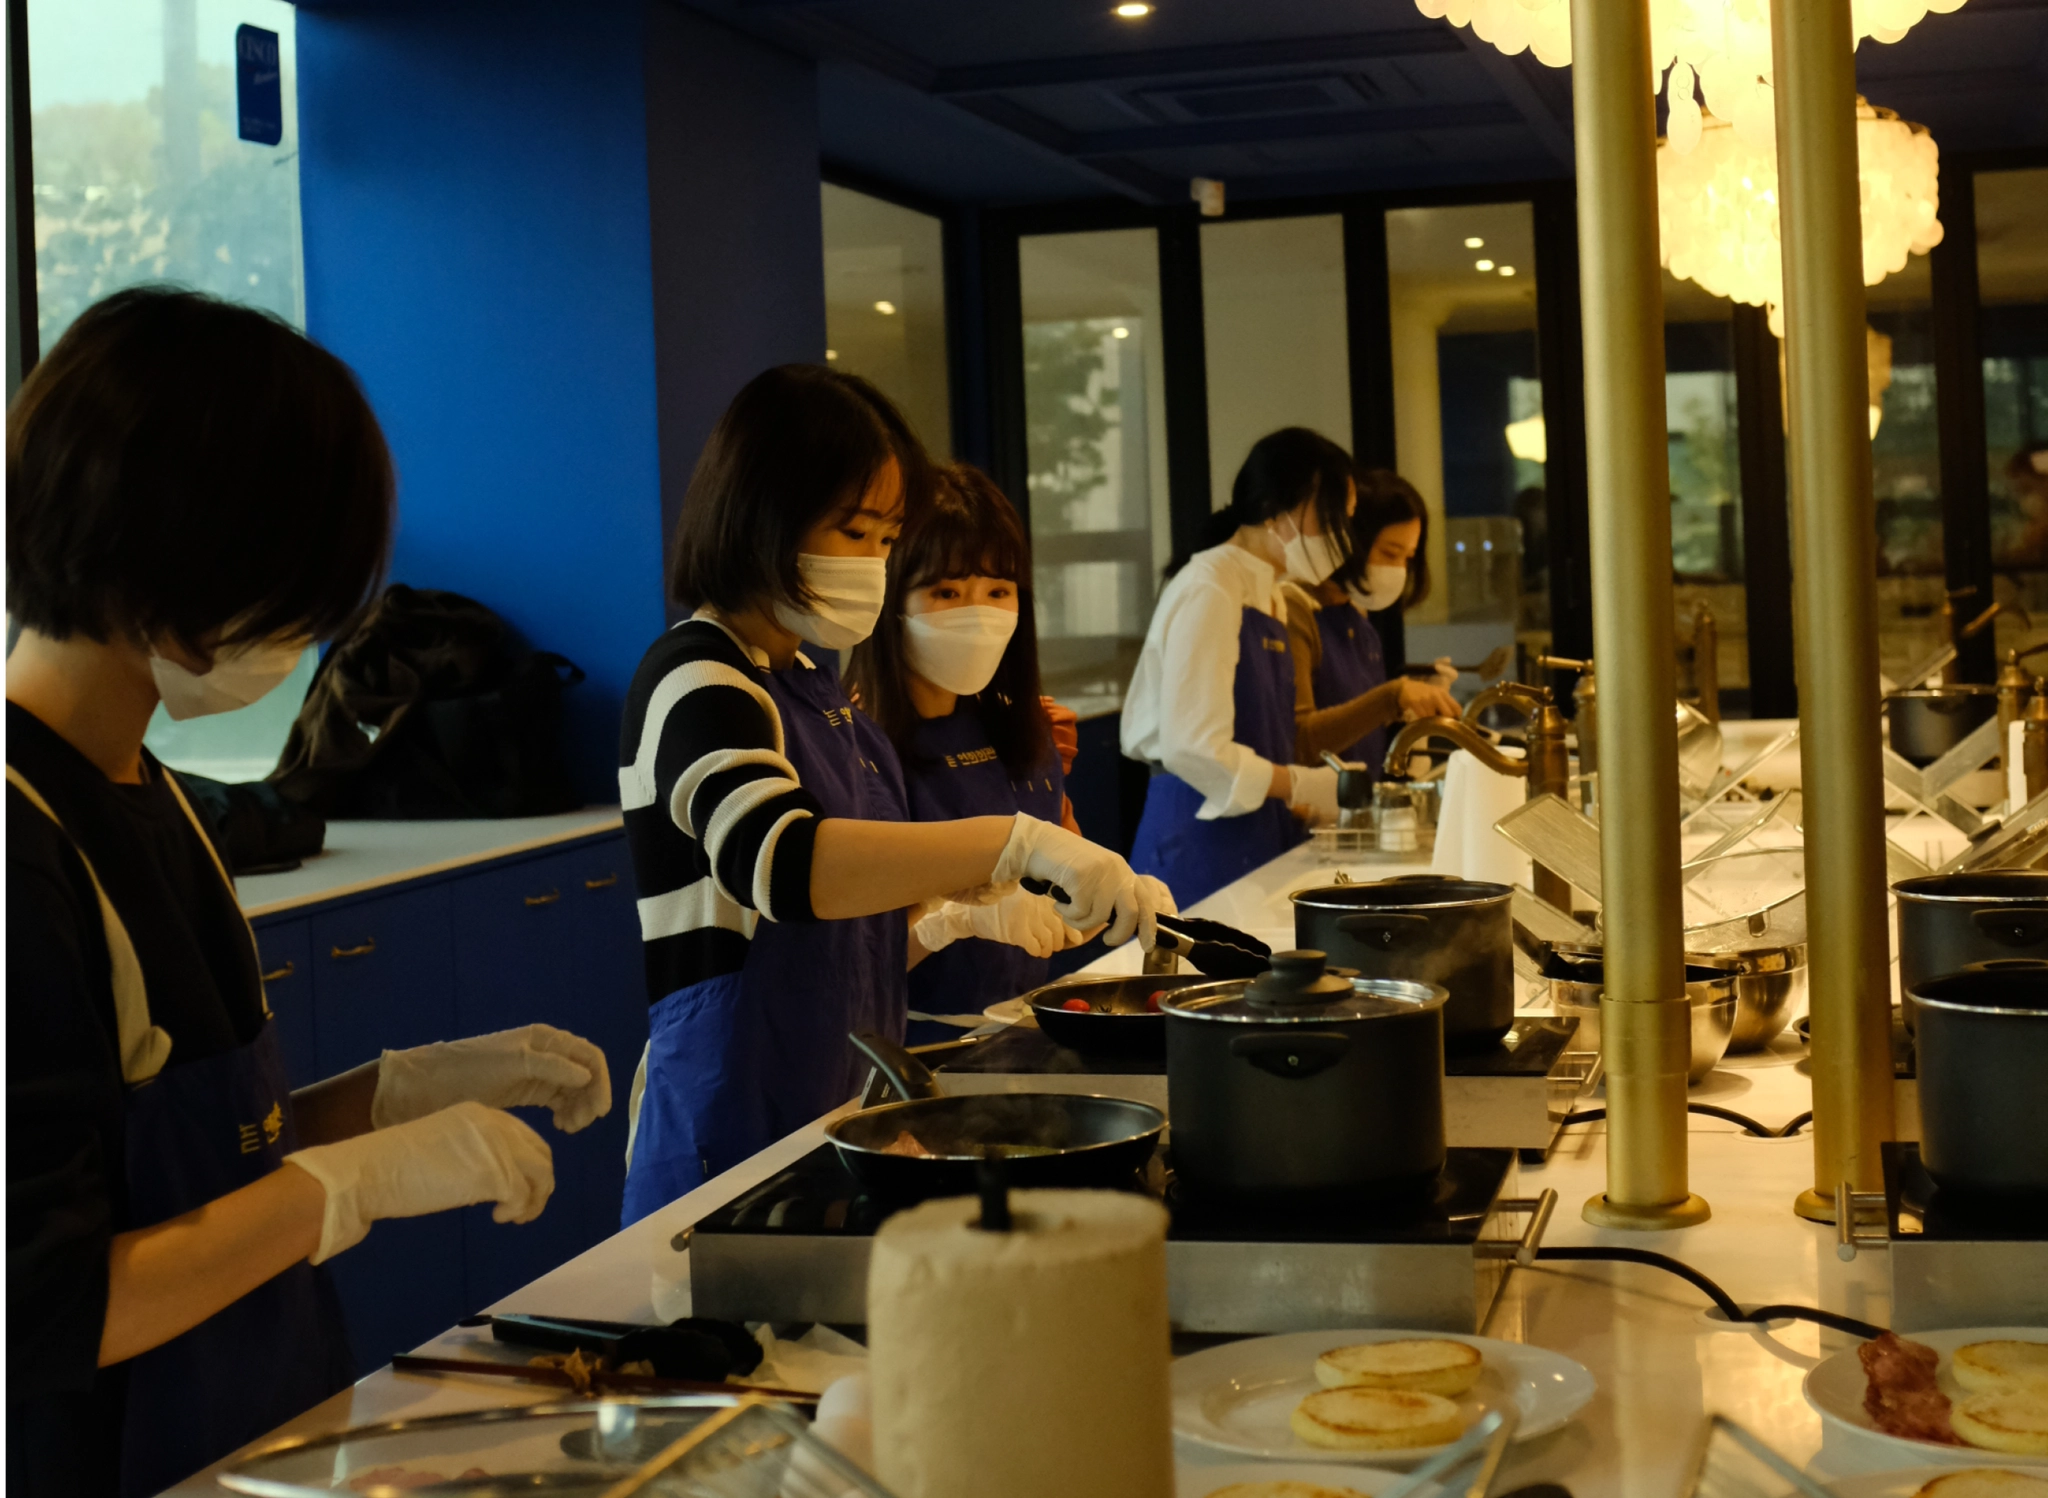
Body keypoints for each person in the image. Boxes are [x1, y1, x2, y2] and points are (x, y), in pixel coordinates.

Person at [6, 289, 612, 1498]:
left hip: (251, 1430)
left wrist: (396, 1096)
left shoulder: (154, 793)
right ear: (169, 550)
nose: (302, 636)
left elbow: (197, 1162)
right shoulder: (22, 845)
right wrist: (353, 1184)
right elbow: (49, 1304)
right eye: (286, 587)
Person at [619, 366, 1172, 1222]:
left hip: (836, 1103)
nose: (874, 563)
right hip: (725, 1127)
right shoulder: (697, 676)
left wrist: (960, 913)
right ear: (765, 514)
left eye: (886, 538)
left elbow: (858, 938)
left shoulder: (817, 692)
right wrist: (1014, 843)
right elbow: (786, 863)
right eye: (854, 531)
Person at [847, 463, 1084, 1020]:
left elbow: (1073, 884)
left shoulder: (1025, 727)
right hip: (906, 1045)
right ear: (891, 600)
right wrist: (953, 920)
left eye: (998, 591)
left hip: (1019, 1024)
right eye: (946, 591)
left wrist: (1114, 893)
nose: (977, 616)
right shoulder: (852, 744)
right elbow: (847, 962)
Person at [1121, 427, 1357, 907]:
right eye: (1330, 518)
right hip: (1194, 841)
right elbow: (1193, 746)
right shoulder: (1210, 587)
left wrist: (1301, 800)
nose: (1340, 537)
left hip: (1255, 836)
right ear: (1277, 507)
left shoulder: (1273, 595)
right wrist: (1298, 783)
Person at [1281, 468, 1460, 773]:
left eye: (1408, 558)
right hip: (1313, 801)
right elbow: (1300, 741)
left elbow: (1363, 736)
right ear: (1351, 541)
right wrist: (1392, 697)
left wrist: (1411, 712)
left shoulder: (1360, 625)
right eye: (1390, 553)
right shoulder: (1295, 610)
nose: (1398, 569)